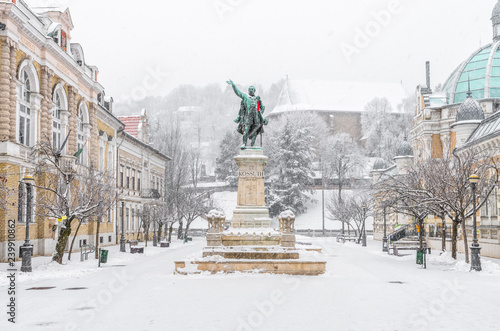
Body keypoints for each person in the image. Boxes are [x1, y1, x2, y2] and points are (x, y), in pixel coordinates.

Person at [227, 79, 268, 149]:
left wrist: (262, 119)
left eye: (252, 89)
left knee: (255, 131)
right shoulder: (246, 97)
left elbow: (259, 110)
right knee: (246, 130)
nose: (251, 90)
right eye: (250, 89)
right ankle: (244, 144)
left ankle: (252, 145)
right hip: (248, 117)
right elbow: (238, 93)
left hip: (256, 118)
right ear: (248, 90)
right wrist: (233, 85)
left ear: (254, 91)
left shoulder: (256, 99)